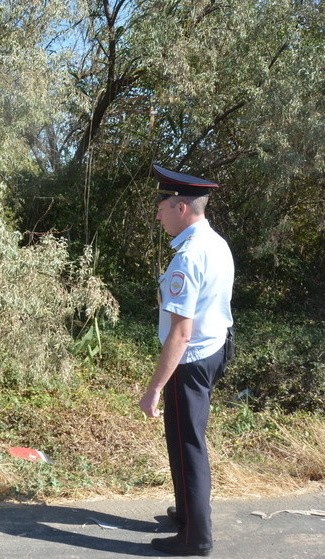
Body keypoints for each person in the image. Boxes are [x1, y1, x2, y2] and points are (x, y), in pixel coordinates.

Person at [138, 164, 234, 557]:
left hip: (190, 360)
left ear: (180, 207)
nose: (157, 213)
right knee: (187, 439)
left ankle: (195, 538)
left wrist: (154, 389)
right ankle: (188, 514)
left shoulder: (187, 257)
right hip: (216, 348)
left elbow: (180, 333)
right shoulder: (216, 243)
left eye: (161, 206)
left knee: (186, 444)